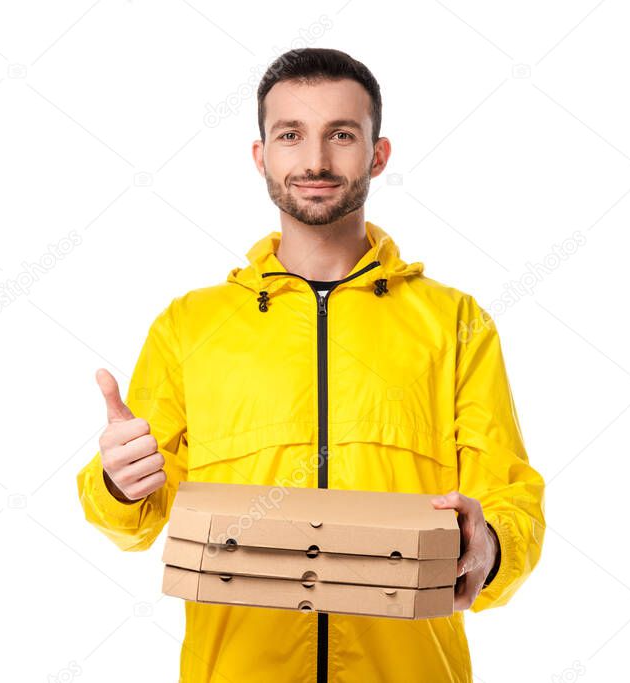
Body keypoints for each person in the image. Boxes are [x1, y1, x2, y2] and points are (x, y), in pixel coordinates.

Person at [75, 47, 545, 683]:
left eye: (342, 135)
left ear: (378, 154)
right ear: (261, 155)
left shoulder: (457, 323)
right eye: (290, 135)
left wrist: (490, 546)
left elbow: (510, 495)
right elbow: (137, 519)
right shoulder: (189, 325)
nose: (316, 161)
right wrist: (117, 483)